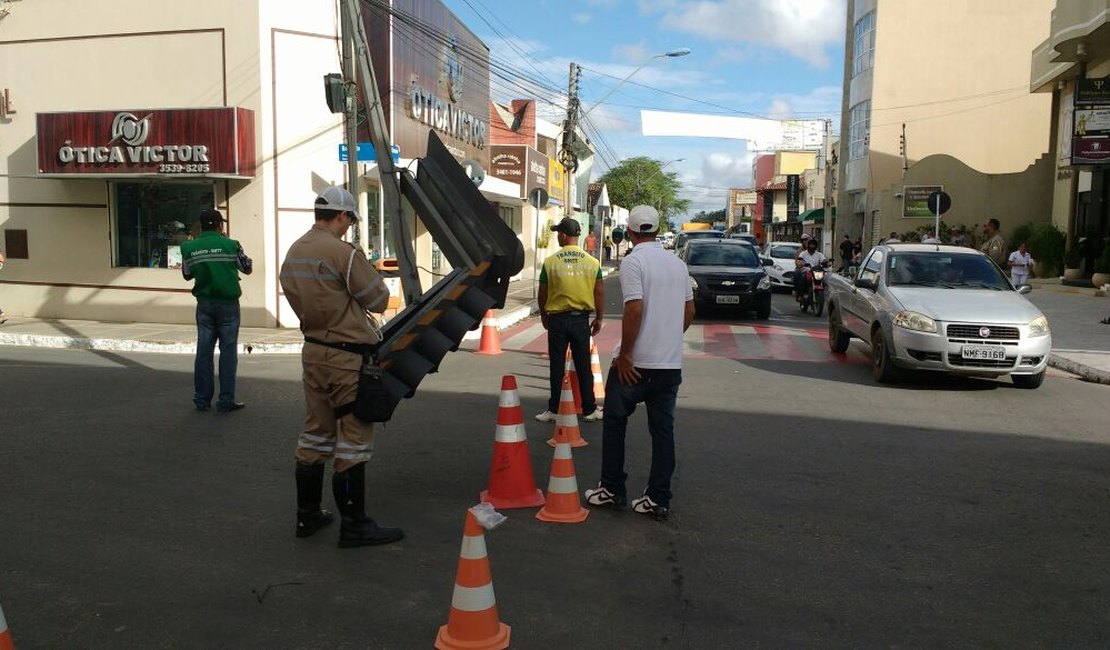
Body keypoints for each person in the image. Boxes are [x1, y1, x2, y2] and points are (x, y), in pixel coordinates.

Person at [279, 186, 402, 548]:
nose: (349, 227)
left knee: (316, 433)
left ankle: (308, 515)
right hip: (346, 359)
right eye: (350, 220)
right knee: (352, 440)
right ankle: (355, 525)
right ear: (343, 216)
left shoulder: (295, 250)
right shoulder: (343, 253)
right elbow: (378, 301)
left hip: (313, 352)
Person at [584, 205, 694, 521]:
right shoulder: (677, 265)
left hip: (636, 364)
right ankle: (657, 498)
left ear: (630, 232)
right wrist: (668, 341)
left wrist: (627, 355)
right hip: (669, 366)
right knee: (663, 432)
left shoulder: (634, 261)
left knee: (615, 422)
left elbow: (633, 310)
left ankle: (612, 489)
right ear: (657, 231)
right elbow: (689, 313)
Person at [181, 209, 252, 413]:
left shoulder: (189, 247)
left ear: (202, 227)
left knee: (204, 351)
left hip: (204, 305)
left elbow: (187, 275)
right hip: (228, 306)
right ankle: (226, 400)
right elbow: (247, 267)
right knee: (228, 352)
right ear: (220, 226)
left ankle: (202, 399)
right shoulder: (231, 245)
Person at [536, 217, 604, 423]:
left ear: (564, 235)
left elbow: (543, 292)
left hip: (557, 320)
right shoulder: (593, 263)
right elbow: (599, 292)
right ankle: (590, 409)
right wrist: (599, 317)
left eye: (558, 233)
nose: (557, 236)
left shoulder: (551, 262)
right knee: (583, 365)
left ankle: (554, 409)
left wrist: (543, 314)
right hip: (581, 321)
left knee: (556, 365)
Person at [794, 237, 828, 301]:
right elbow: (799, 261)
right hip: (806, 271)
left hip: (816, 271)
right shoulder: (803, 253)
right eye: (811, 244)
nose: (812, 246)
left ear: (816, 246)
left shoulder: (819, 254)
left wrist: (825, 262)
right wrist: (801, 263)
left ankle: (822, 294)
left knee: (824, 279)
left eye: (814, 244)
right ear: (808, 245)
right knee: (803, 277)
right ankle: (801, 294)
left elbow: (824, 260)